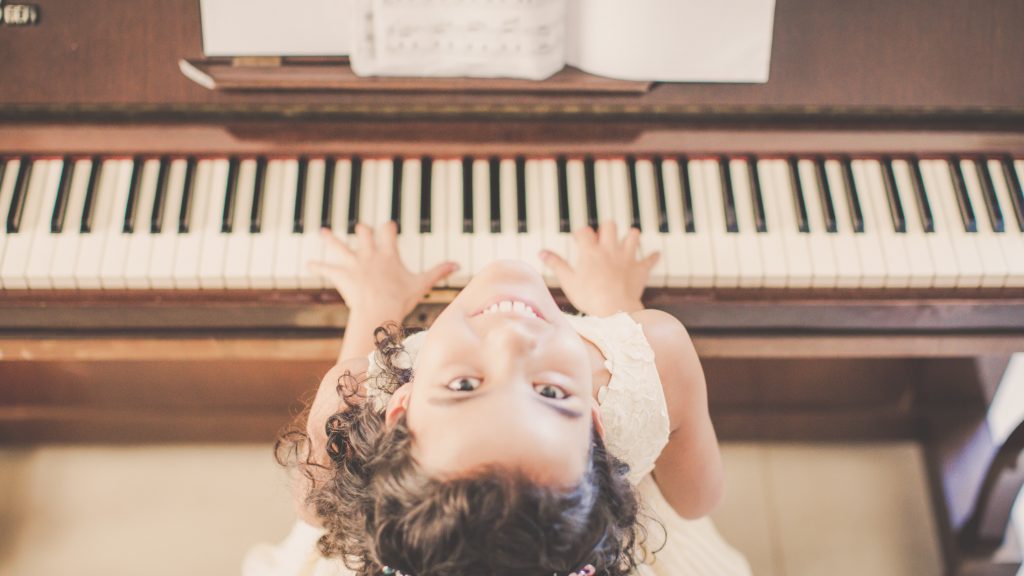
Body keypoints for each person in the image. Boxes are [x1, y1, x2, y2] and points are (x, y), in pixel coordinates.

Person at [245, 220, 751, 576]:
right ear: (595, 426)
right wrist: (617, 308)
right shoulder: (657, 355)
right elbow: (696, 499)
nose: (512, 340)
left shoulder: (350, 398)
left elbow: (316, 510)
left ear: (398, 408)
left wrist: (377, 306)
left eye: (465, 386)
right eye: (551, 393)